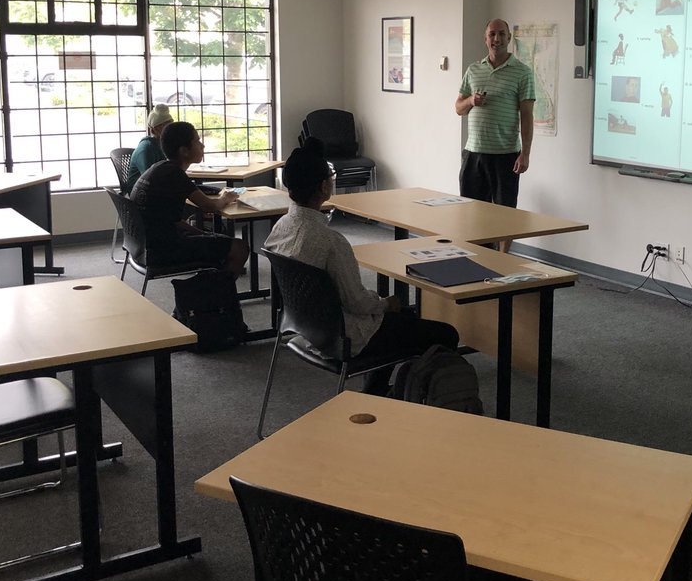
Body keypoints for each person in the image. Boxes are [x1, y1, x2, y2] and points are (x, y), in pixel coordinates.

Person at [264, 138, 460, 395]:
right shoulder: (331, 241)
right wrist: (385, 303)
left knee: (404, 321)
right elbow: (357, 302)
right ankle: (408, 394)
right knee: (446, 334)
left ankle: (377, 393)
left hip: (305, 329)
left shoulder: (280, 228)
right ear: (324, 186)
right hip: (342, 338)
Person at [454, 20, 536, 251]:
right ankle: (478, 255)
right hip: (474, 153)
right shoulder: (473, 70)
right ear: (485, 38)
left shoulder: (522, 73)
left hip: (506, 154)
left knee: (505, 212)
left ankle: (502, 260)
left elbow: (527, 116)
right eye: (492, 34)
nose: (496, 39)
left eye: (501, 34)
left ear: (509, 38)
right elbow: (458, 108)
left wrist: (526, 154)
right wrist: (471, 100)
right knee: (471, 211)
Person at [129, 121, 249, 276]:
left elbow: (172, 220)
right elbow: (210, 207)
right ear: (184, 150)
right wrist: (225, 197)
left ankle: (213, 288)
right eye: (197, 141)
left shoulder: (159, 168)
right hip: (162, 251)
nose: (202, 146)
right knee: (240, 248)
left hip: (145, 247)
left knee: (218, 241)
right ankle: (218, 296)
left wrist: (202, 233)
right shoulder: (174, 174)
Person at [127, 103, 173, 189]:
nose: (170, 129)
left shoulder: (163, 144)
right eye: (166, 125)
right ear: (154, 129)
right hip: (141, 194)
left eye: (171, 124)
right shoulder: (146, 148)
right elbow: (150, 179)